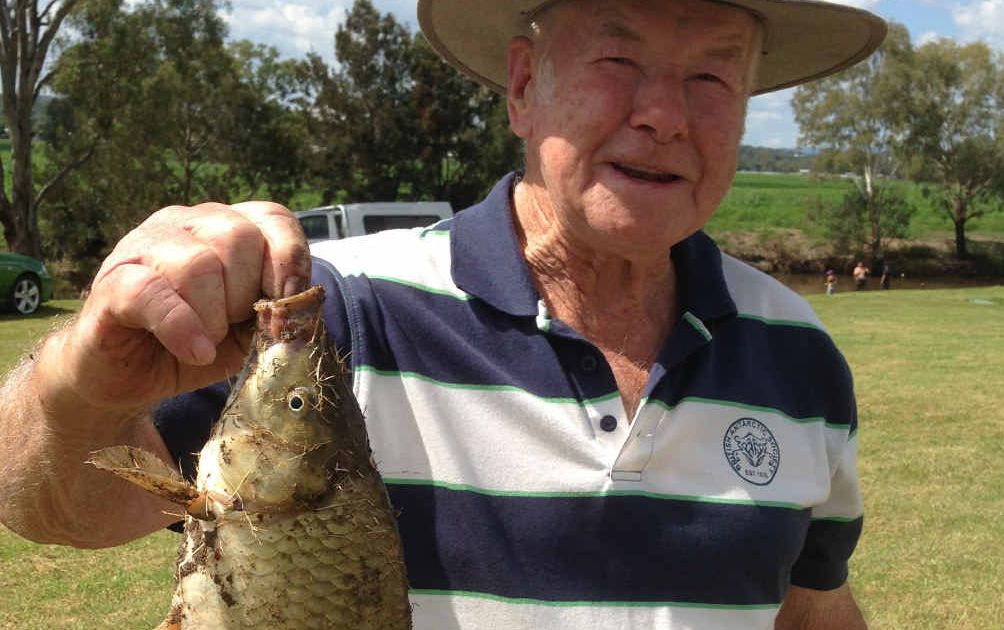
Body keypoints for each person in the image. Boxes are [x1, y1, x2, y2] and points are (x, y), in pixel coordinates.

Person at [0, 0, 886, 627]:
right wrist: (81, 383)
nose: (664, 114)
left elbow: (809, 607)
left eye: (711, 75)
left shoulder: (799, 361)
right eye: (619, 61)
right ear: (523, 83)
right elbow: (52, 506)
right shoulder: (332, 322)